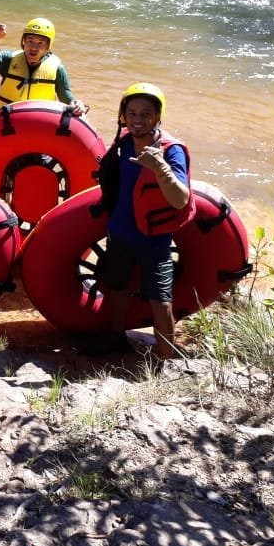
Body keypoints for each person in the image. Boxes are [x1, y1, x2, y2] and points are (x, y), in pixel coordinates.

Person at [87, 82, 193, 361]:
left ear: (158, 116)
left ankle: (167, 360)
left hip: (154, 241)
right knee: (117, 290)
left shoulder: (171, 151)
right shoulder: (123, 142)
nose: (137, 119)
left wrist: (161, 169)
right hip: (120, 235)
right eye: (131, 113)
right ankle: (116, 337)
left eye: (145, 114)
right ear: (123, 115)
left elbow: (181, 199)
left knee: (161, 301)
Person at [0, 17, 88, 114]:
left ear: (48, 47)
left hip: (39, 124)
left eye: (41, 43)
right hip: (7, 123)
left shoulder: (57, 69)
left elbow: (66, 96)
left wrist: (76, 103)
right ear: (23, 41)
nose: (33, 47)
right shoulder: (9, 60)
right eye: (30, 41)